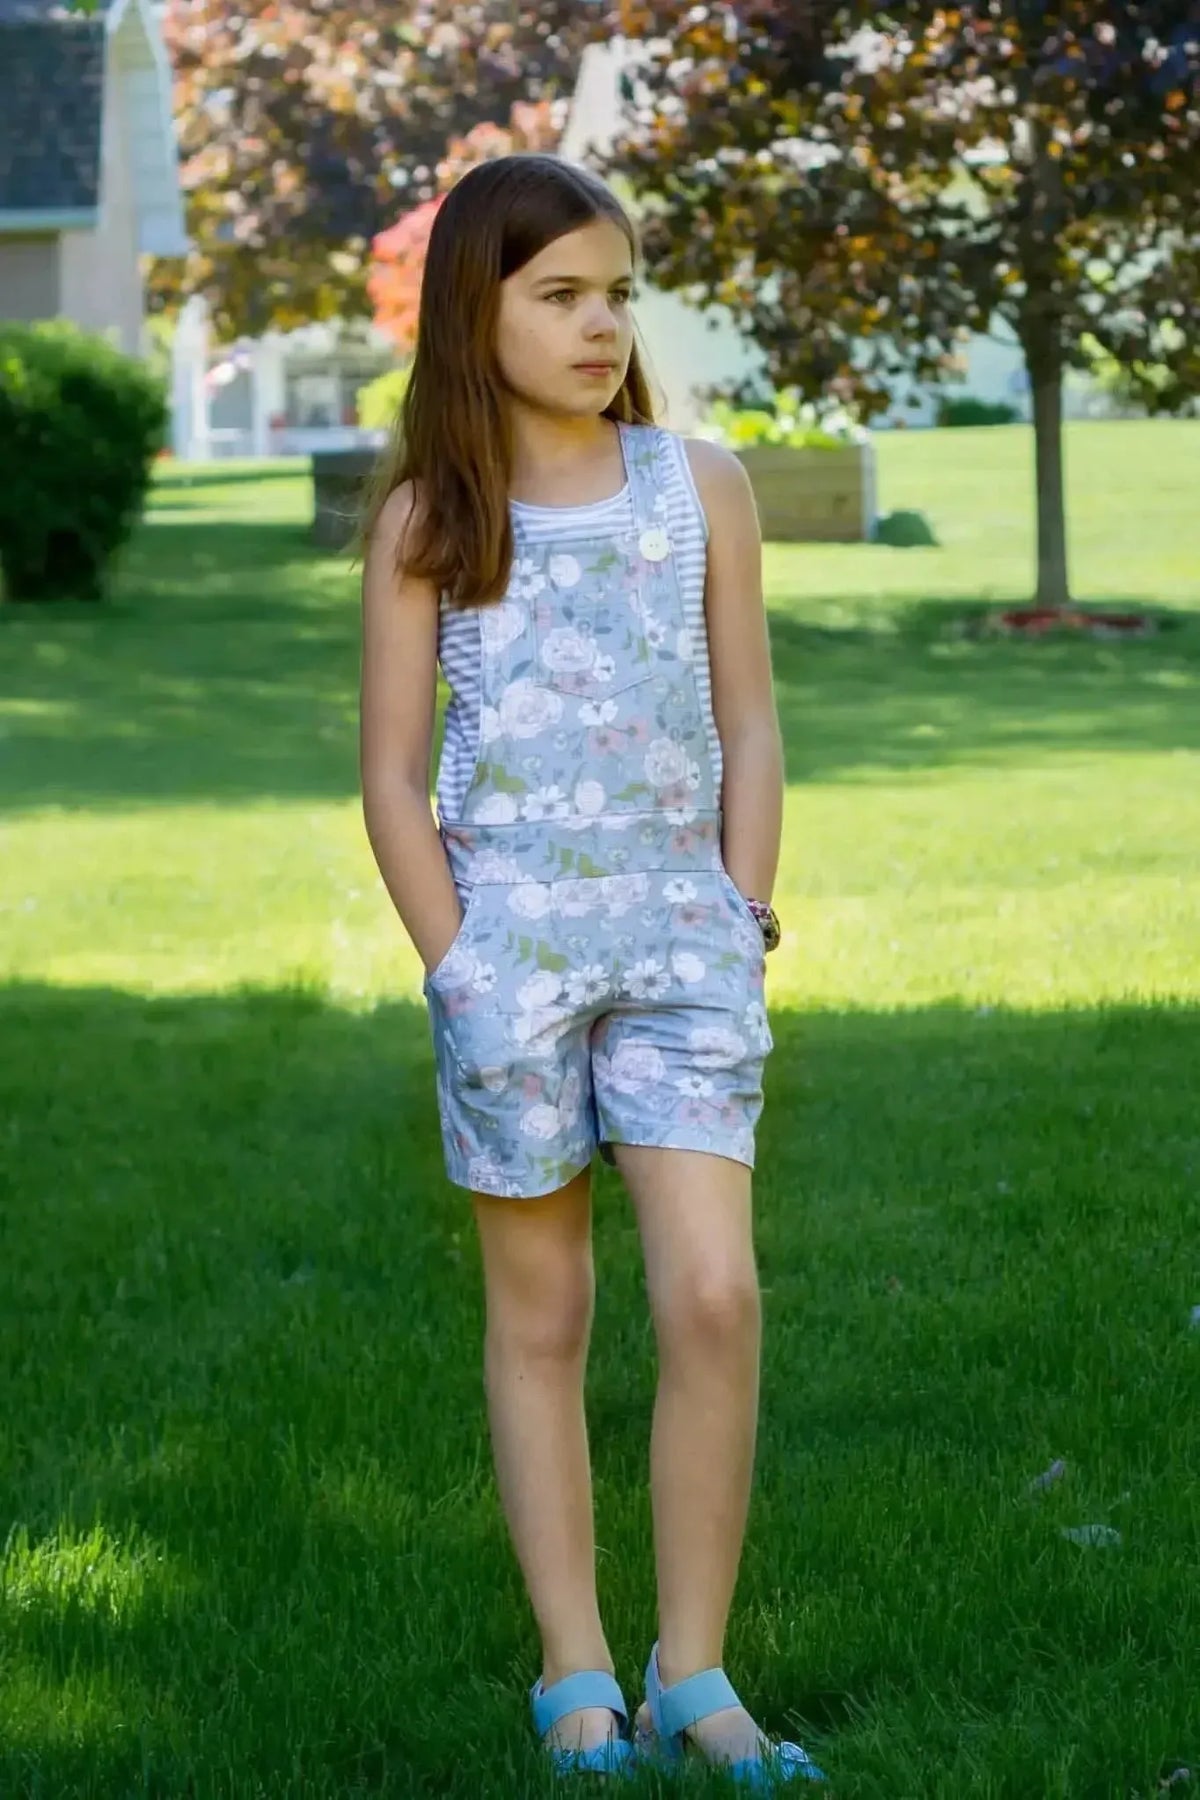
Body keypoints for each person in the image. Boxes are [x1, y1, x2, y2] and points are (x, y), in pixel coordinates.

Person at [358, 153, 825, 1789]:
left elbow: (753, 719)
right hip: (513, 964)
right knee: (544, 1310)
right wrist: (458, 965)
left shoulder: (699, 485)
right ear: (473, 313)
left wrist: (742, 913)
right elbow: (392, 778)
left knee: (714, 1294)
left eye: (617, 291)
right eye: (559, 294)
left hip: (686, 942)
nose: (600, 323)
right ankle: (576, 1670)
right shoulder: (431, 516)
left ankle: (692, 1669)